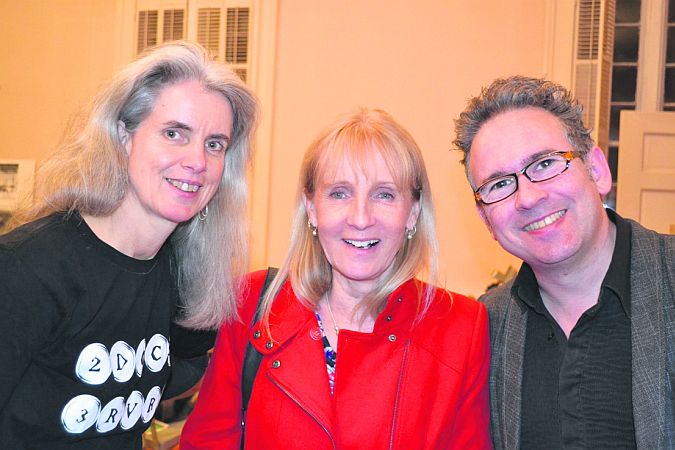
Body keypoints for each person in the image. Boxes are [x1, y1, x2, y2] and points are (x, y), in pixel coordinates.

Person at [180, 108, 492, 449]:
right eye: (339, 193)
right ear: (311, 208)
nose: (360, 218)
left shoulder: (462, 327)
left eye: (384, 194)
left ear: (413, 212)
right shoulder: (251, 303)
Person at [0, 41, 259, 448]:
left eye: (215, 144)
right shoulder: (28, 267)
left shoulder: (184, 272)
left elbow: (180, 372)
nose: (197, 161)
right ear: (124, 136)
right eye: (174, 133)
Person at [453, 75, 675, 450]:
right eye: (499, 184)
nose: (527, 197)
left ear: (597, 170)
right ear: (485, 219)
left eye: (544, 164)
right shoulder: (484, 329)